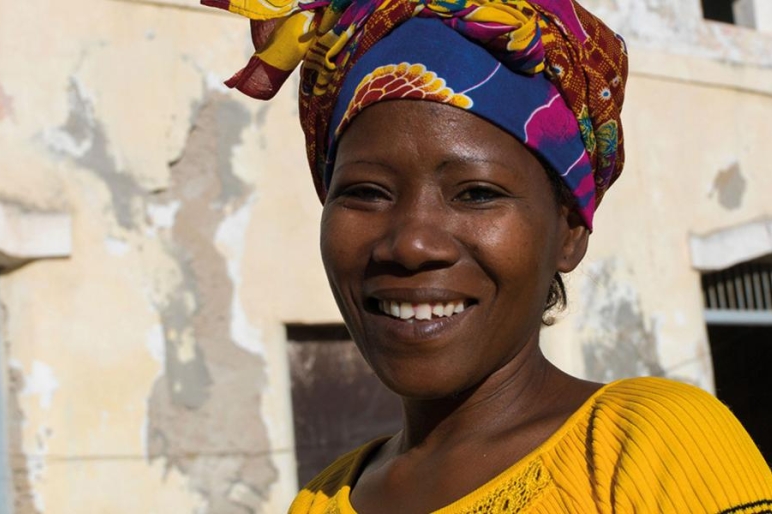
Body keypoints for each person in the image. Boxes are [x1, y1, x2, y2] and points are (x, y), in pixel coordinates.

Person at [203, 0, 772, 511]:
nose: (410, 243)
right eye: (365, 192)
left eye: (477, 194)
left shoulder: (646, 450)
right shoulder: (320, 502)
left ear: (569, 231)